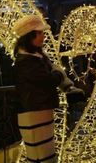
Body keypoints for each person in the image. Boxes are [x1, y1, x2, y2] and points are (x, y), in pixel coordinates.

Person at [12, 14, 74, 163]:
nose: (43, 37)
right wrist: (59, 73)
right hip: (33, 114)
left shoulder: (36, 57)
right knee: (39, 155)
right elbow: (49, 80)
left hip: (41, 112)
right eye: (39, 33)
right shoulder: (26, 62)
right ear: (29, 36)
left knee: (46, 153)